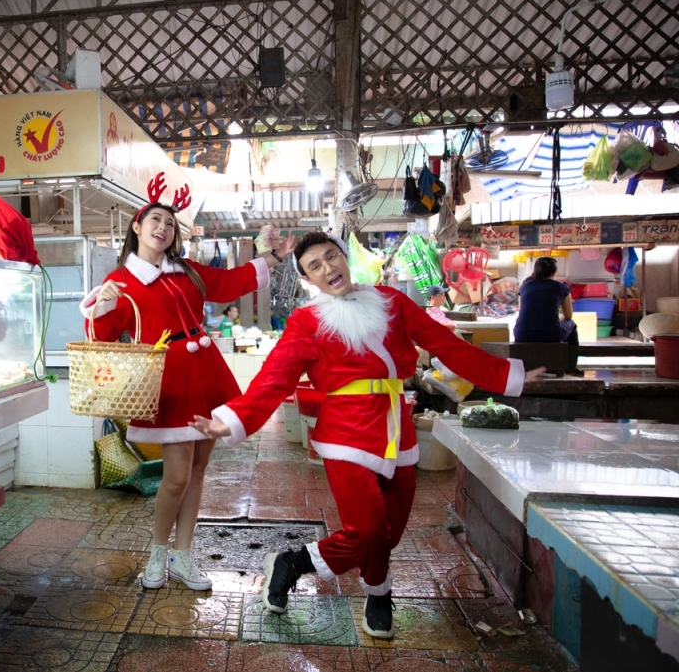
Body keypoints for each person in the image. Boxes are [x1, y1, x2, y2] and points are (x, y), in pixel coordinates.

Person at [190, 232, 545, 639]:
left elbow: (444, 342)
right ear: (308, 279)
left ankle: (295, 562)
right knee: (370, 528)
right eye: (315, 267)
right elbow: (275, 377)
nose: (328, 269)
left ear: (344, 257)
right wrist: (233, 418)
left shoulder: (393, 302)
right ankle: (378, 593)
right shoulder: (307, 321)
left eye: (331, 257)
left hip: (397, 428)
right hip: (345, 431)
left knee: (390, 530)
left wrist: (507, 374)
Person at [82, 199, 295, 592]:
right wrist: (102, 302)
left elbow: (230, 283)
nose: (162, 227)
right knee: (177, 477)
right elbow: (101, 339)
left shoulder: (186, 270)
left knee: (198, 470)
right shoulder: (121, 281)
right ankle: (158, 552)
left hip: (206, 371)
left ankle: (182, 554)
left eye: (169, 223)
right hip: (169, 380)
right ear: (136, 226)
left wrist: (273, 257)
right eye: (155, 220)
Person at [513, 256, 579, 373]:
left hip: (522, 334)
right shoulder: (560, 287)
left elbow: (523, 311)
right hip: (550, 334)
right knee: (572, 325)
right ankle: (571, 367)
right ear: (554, 272)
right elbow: (568, 316)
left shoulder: (524, 286)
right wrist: (558, 317)